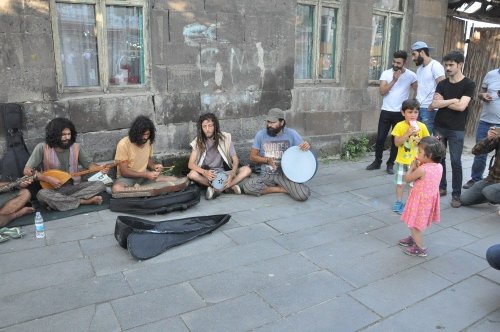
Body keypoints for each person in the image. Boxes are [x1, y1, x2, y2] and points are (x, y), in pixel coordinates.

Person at [23, 118, 107, 211]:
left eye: (69, 134)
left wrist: (99, 168)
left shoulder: (76, 147)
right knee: (41, 194)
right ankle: (84, 201)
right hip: (52, 190)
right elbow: (27, 170)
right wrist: (47, 179)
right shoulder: (42, 148)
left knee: (100, 184)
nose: (67, 137)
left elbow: (89, 165)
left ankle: (58, 203)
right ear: (54, 135)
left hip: (74, 187)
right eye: (63, 135)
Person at [430, 50, 475, 208]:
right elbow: (434, 104)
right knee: (438, 158)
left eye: (451, 65)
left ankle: (456, 194)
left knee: (456, 161)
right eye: (446, 65)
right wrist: (453, 100)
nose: (447, 68)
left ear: (460, 65)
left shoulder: (468, 84)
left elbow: (462, 106)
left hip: (456, 129)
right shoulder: (442, 84)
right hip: (439, 127)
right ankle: (441, 187)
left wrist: (445, 101)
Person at [241, 108, 311, 201]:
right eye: (268, 122)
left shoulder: (291, 134)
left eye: (273, 122)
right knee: (248, 187)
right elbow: (252, 157)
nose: (269, 125)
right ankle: (281, 189)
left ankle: (279, 186)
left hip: (284, 174)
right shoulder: (261, 135)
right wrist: (267, 160)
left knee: (303, 194)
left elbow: (304, 149)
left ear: (282, 122)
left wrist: (308, 144)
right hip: (266, 174)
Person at [366, 50, 418, 174]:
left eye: (398, 63)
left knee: (397, 140)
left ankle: (390, 164)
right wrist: (394, 80)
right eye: (394, 61)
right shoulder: (386, 73)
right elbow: (382, 91)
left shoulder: (411, 75)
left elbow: (417, 90)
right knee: (380, 138)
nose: (395, 64)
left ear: (404, 63)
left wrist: (412, 104)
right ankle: (377, 161)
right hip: (386, 111)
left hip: (400, 113)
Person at [399, 136, 446, 257]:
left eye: (419, 152)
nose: (417, 153)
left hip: (419, 201)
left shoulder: (422, 169)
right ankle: (413, 238)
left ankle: (420, 248)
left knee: (414, 224)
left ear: (429, 155)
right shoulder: (439, 167)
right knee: (415, 221)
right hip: (428, 200)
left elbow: (407, 179)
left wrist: (411, 168)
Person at [187, 113, 251, 200]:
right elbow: (190, 164)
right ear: (201, 128)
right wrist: (204, 172)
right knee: (192, 174)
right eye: (204, 126)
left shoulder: (225, 138)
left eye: (210, 126)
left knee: (247, 170)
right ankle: (228, 187)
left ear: (215, 126)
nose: (207, 129)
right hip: (209, 174)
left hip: (223, 173)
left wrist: (232, 173)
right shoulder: (198, 141)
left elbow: (235, 160)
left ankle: (218, 189)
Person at [112, 115, 180, 193]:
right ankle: (140, 189)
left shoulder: (148, 142)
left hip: (145, 177)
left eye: (147, 134)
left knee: (174, 180)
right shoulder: (123, 144)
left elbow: (148, 160)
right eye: (143, 135)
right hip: (128, 178)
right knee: (116, 189)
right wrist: (145, 174)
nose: (145, 137)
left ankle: (138, 189)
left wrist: (154, 166)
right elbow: (124, 172)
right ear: (136, 133)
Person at [391, 99, 430, 214]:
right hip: (402, 160)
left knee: (413, 185)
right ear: (403, 113)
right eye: (409, 112)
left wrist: (420, 142)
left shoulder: (422, 126)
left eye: (415, 112)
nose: (413, 115)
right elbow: (397, 143)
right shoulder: (399, 126)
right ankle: (398, 202)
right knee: (400, 183)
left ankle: (409, 204)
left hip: (416, 162)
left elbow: (427, 144)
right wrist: (407, 133)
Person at [463, 68, 500, 189]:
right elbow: (480, 93)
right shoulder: (491, 74)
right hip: (486, 121)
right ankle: (475, 180)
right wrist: (483, 95)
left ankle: (495, 187)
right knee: (480, 152)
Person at [410, 41, 445, 134]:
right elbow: (419, 88)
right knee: (416, 137)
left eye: (414, 54)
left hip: (429, 109)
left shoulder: (435, 66)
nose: (413, 58)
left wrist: (433, 105)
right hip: (418, 108)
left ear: (421, 53)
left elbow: (443, 87)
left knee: (426, 140)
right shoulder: (419, 69)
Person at [460, 127, 500, 206]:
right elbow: (475, 151)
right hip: (492, 179)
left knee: (489, 191)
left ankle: (493, 195)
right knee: (464, 200)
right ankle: (492, 197)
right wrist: (488, 138)